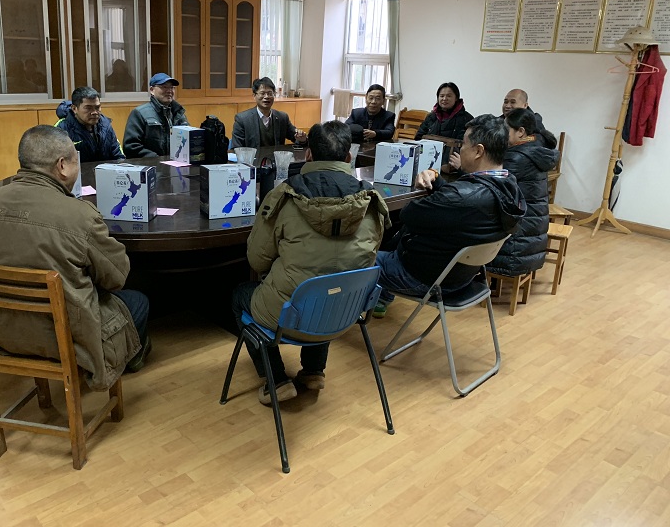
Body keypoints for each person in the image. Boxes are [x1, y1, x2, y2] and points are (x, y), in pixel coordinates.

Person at [0, 125, 150, 390]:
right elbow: (116, 278)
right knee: (138, 301)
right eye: (76, 162)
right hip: (64, 339)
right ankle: (127, 360)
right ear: (62, 166)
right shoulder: (80, 216)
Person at [230, 120, 391, 404]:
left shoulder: (284, 196)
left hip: (291, 316)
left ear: (308, 155)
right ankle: (314, 371)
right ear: (348, 157)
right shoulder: (373, 200)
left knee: (241, 294)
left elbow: (257, 260)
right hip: (346, 312)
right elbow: (366, 257)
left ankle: (276, 380)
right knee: (331, 282)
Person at [374, 114, 526, 317]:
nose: (459, 150)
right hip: (462, 277)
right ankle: (381, 297)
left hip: (422, 277)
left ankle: (347, 317)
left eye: (463, 144)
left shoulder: (461, 197)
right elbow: (460, 199)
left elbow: (408, 214)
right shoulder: (509, 188)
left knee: (354, 257)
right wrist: (435, 177)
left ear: (479, 151)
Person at [486, 108, 559, 277]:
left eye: (506, 129)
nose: (502, 134)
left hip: (516, 244)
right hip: (531, 234)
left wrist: (463, 168)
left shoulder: (518, 157)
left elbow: (493, 184)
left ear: (520, 131)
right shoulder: (536, 147)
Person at [123, 73, 189, 157]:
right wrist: (157, 159)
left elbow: (187, 139)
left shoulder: (178, 113)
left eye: (172, 87)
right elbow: (131, 146)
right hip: (150, 163)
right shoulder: (140, 113)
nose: (169, 91)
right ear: (152, 90)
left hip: (176, 161)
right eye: (164, 87)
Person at [231, 77, 308, 148]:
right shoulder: (242, 120)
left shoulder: (282, 118)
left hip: (276, 158)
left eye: (270, 93)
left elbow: (297, 139)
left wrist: (302, 140)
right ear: (254, 96)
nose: (266, 97)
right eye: (262, 93)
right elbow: (236, 149)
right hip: (252, 159)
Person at [55, 86, 126, 163]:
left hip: (106, 170)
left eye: (97, 107)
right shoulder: (61, 129)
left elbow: (119, 156)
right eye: (88, 108)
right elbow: (57, 162)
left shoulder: (105, 125)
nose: (94, 112)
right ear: (74, 109)